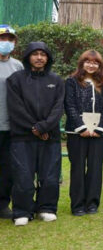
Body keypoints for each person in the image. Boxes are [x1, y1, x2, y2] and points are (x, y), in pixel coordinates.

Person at [7, 42, 65, 226]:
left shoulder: (56, 80)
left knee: (49, 176)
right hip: (22, 137)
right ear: (28, 57)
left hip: (50, 137)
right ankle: (22, 211)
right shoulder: (15, 79)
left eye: (43, 54)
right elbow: (15, 108)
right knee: (23, 176)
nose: (39, 58)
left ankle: (46, 208)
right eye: (35, 54)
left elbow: (58, 108)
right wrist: (35, 128)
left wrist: (44, 127)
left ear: (48, 58)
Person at [64, 50, 103, 216]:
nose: (91, 65)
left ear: (99, 65)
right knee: (77, 168)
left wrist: (100, 127)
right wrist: (81, 127)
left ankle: (92, 203)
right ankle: (77, 205)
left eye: (95, 63)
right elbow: (69, 105)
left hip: (98, 133)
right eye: (88, 62)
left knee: (95, 168)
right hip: (76, 133)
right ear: (82, 63)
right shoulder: (72, 82)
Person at [0, 25, 23, 219]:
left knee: (7, 168)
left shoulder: (18, 66)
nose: (5, 42)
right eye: (2, 38)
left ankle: (2, 204)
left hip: (10, 127)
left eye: (9, 39)